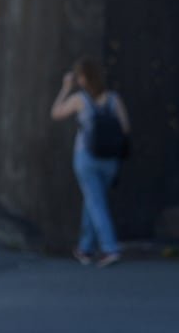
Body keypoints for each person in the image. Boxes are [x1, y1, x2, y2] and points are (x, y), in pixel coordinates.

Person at [49, 57, 131, 268]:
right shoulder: (114, 99)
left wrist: (65, 87)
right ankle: (85, 248)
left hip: (87, 157)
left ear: (82, 78)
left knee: (95, 203)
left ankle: (109, 248)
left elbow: (56, 113)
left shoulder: (80, 100)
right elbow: (125, 129)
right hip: (111, 159)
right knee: (93, 200)